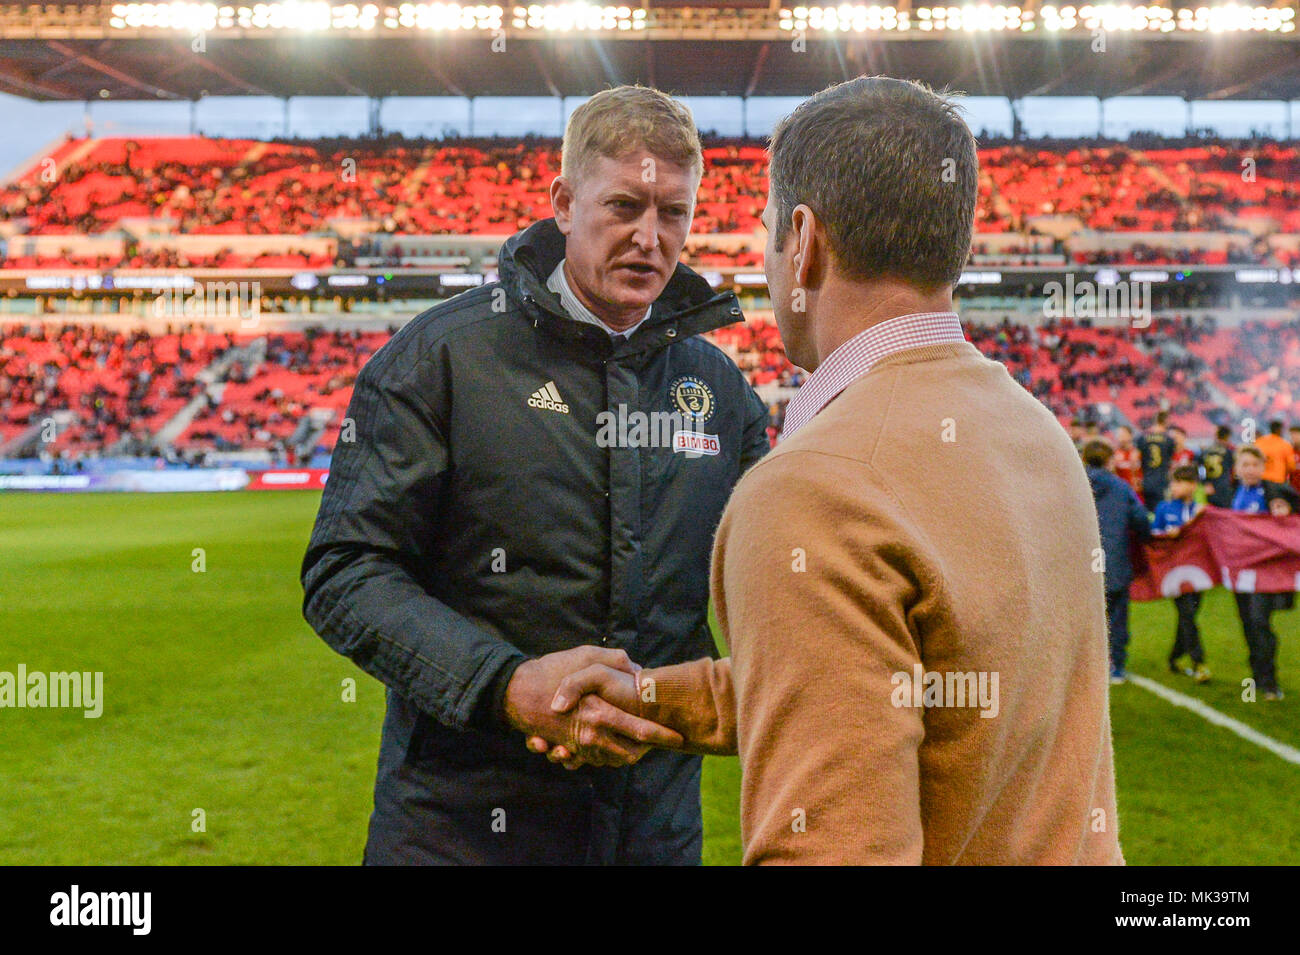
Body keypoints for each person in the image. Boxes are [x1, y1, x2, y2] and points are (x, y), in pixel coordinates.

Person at [534, 76, 1124, 864]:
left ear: (804, 240)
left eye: (771, 230)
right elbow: (865, 688)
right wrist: (645, 693)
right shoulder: (1036, 431)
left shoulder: (817, 488)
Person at [300, 85, 771, 865]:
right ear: (562, 200)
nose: (650, 238)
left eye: (673, 213)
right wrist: (507, 686)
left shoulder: (719, 392)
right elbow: (345, 571)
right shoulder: (440, 359)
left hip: (653, 834)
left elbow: (776, 584)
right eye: (624, 206)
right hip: (456, 832)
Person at [1084, 439, 1153, 684]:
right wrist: (1146, 538)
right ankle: (1116, 666)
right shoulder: (1121, 488)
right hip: (1114, 561)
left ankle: (1084, 667)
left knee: (1084, 617)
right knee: (1116, 616)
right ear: (1109, 461)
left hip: (1080, 566)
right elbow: (1140, 518)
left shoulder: (1073, 484)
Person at [1231, 447, 1284, 700]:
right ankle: (1256, 674)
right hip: (1240, 572)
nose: (1250, 469)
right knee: (1248, 624)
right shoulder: (1232, 493)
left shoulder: (1274, 491)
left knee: (1260, 622)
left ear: (1262, 468)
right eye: (1245, 464)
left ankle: (1270, 680)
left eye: (1255, 464)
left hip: (1264, 573)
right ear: (1237, 468)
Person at [1152, 465, 1209, 683]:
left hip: (1197, 574)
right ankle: (1199, 662)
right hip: (1174, 573)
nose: (1173, 487)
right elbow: (1154, 535)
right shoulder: (1164, 508)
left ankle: (1174, 658)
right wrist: (1168, 534)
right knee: (1187, 614)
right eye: (1173, 482)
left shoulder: (1201, 511)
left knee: (1188, 617)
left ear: (1192, 485)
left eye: (1179, 482)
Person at [1137, 411, 1175, 510]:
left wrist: (1136, 478)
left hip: (1146, 479)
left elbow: (1134, 459)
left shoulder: (1142, 438)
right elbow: (1172, 462)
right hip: (1162, 480)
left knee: (1147, 510)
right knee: (1161, 509)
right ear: (1165, 421)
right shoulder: (1169, 439)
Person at [1200, 424, 1236, 508]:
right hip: (1225, 487)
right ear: (1228, 436)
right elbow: (1234, 470)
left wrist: (1205, 483)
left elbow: (1200, 468)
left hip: (1210, 487)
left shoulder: (1206, 451)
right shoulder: (1230, 451)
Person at [1256, 419, 1296, 486]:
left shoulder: (1259, 442)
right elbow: (1291, 466)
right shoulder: (1285, 445)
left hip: (1261, 480)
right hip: (1278, 480)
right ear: (1280, 430)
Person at [1113, 424, 1143, 494]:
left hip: (1138, 494)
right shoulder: (1114, 455)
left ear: (1130, 435)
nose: (1120, 437)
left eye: (1123, 434)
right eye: (1119, 434)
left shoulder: (1138, 453)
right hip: (1121, 493)